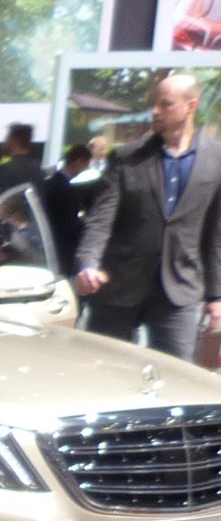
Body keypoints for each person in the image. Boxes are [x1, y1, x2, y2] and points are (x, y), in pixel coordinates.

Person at [74, 73, 221, 360]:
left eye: (166, 104)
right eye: (155, 103)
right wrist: (87, 263)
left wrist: (217, 296)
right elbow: (101, 219)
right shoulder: (127, 157)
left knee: (176, 376)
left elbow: (216, 234)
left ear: (191, 106)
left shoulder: (216, 160)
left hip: (179, 292)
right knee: (100, 370)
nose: (155, 111)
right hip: (118, 287)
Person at [39, 144, 93, 273]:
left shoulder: (52, 182)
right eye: (86, 165)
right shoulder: (64, 187)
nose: (86, 169)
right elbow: (68, 222)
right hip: (62, 248)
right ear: (79, 162)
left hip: (53, 245)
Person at [0, 123, 42, 199]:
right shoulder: (39, 167)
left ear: (14, 141)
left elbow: (1, 200)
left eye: (7, 137)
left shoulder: (6, 169)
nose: (5, 140)